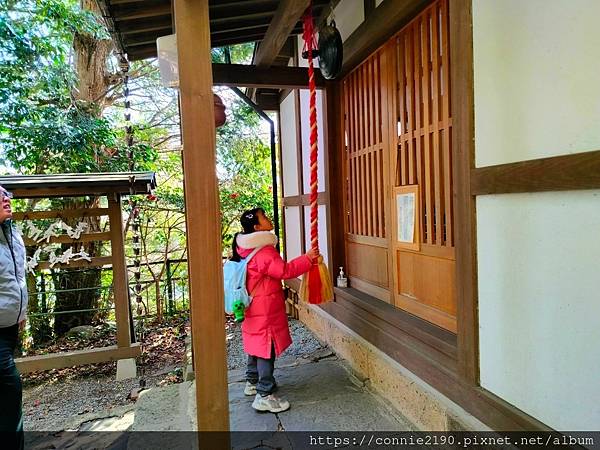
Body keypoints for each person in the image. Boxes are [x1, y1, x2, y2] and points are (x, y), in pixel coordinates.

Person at [231, 207, 318, 413]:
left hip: (251, 305)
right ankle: (264, 394)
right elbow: (284, 271)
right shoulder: (264, 251)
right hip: (265, 307)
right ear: (257, 227)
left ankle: (252, 382)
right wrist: (308, 258)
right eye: (264, 218)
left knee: (255, 344)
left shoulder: (243, 249)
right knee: (266, 349)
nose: (269, 219)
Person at [0, 185, 27, 449]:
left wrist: (22, 312)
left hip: (9, 326)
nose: (6, 199)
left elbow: (17, 278)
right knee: (9, 386)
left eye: (6, 194)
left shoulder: (11, 231)